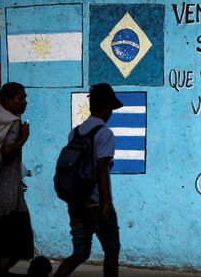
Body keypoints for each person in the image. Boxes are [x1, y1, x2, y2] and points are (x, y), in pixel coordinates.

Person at [55, 83, 123, 277]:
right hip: (95, 202)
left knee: (80, 252)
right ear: (108, 107)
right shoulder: (104, 134)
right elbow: (101, 170)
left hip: (75, 203)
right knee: (111, 250)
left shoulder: (75, 132)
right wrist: (106, 203)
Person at [0, 82, 34, 276]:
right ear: (7, 100)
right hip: (9, 201)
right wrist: (23, 137)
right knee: (21, 246)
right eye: (21, 98)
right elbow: (7, 150)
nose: (25, 102)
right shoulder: (12, 123)